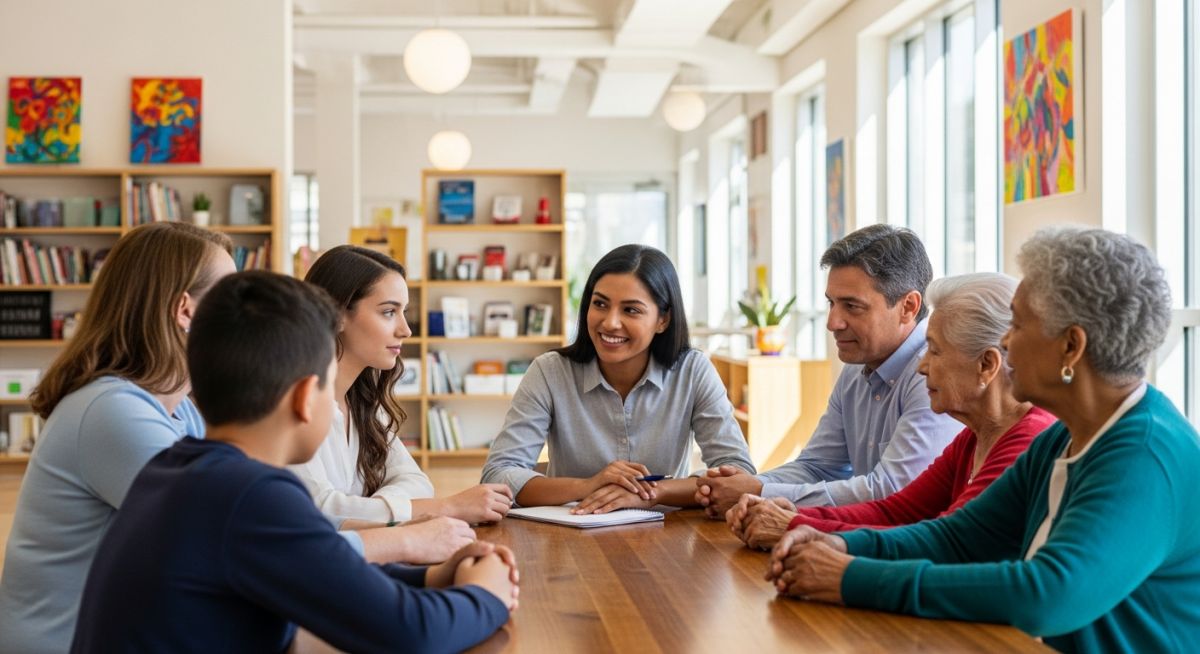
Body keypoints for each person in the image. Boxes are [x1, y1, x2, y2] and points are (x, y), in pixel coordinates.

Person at [767, 227, 1200, 653]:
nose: (1006, 341)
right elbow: (956, 538)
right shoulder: (1061, 439)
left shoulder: (1144, 454)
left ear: (1071, 347)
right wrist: (839, 542)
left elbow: (1044, 595)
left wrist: (850, 576)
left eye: (1019, 323)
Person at [70, 271, 519, 653]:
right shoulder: (250, 495)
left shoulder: (178, 469)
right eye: (329, 387)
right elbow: (412, 634)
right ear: (306, 397)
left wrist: (432, 576)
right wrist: (488, 593)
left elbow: (319, 567)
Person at [0, 223, 235, 654]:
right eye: (231, 296)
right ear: (185, 310)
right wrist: (393, 539)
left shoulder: (179, 408)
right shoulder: (111, 411)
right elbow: (231, 534)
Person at [727, 273, 1054, 549]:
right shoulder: (972, 438)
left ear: (986, 365)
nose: (923, 366)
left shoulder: (1028, 438)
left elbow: (945, 541)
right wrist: (795, 518)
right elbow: (895, 511)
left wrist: (798, 527)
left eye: (935, 352)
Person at [696, 225, 961, 516]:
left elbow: (891, 490)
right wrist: (747, 485)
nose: (833, 322)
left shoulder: (934, 373)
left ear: (908, 307)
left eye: (852, 306)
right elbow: (818, 466)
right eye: (831, 303)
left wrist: (759, 491)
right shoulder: (856, 369)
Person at [482, 244, 755, 513]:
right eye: (600, 304)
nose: (610, 322)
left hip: (668, 540)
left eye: (631, 310)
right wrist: (588, 486)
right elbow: (498, 474)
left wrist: (652, 494)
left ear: (663, 320)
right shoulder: (550, 372)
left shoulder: (693, 371)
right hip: (571, 538)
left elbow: (739, 475)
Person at [295, 245, 513, 528]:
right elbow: (321, 511)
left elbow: (416, 481)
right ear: (336, 315)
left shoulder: (364, 404)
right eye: (388, 312)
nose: (405, 330)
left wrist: (374, 510)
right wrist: (445, 508)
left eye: (403, 312)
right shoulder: (294, 405)